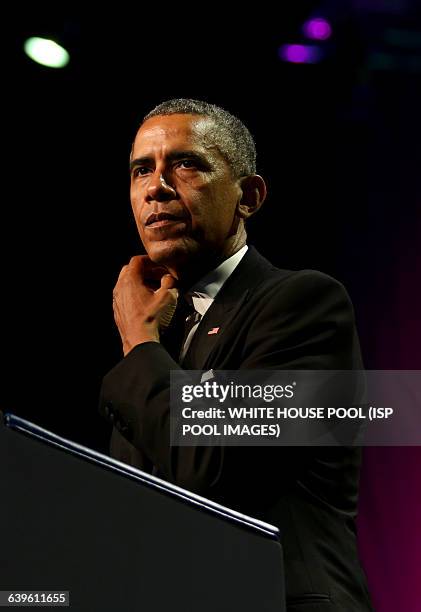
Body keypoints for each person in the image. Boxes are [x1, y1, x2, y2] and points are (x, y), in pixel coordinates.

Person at [99, 99, 373, 610]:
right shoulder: (158, 326)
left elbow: (211, 464)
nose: (156, 187)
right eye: (141, 170)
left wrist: (138, 345)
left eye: (185, 164)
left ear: (248, 196)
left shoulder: (303, 304)